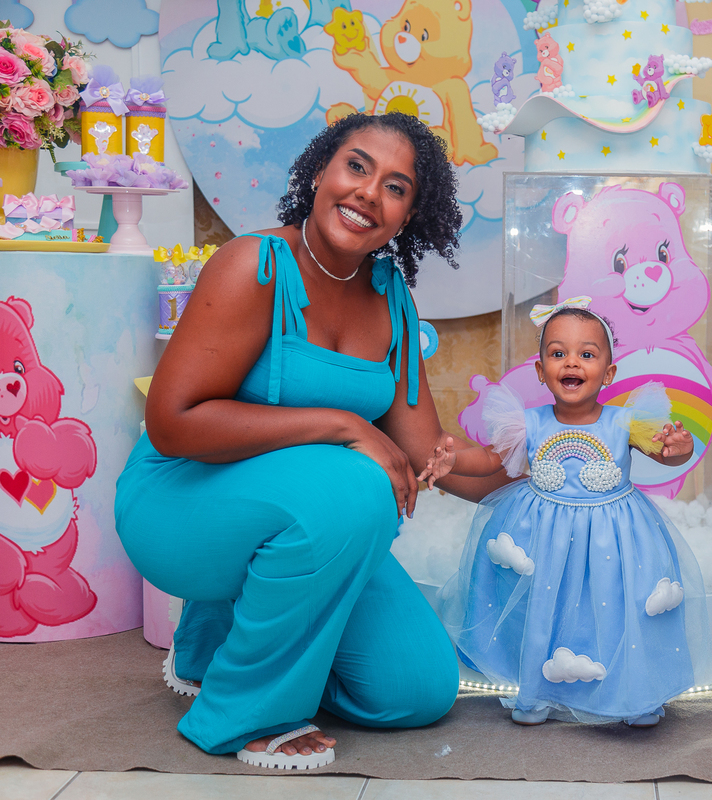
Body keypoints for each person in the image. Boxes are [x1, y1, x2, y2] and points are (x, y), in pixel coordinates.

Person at [114, 112, 509, 769]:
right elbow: (173, 421)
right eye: (356, 167)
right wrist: (346, 425)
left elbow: (425, 454)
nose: (367, 193)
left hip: (311, 523)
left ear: (409, 215)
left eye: (395, 187)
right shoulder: (256, 264)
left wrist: (555, 464)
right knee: (358, 482)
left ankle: (217, 645)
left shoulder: (390, 297)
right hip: (180, 505)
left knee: (417, 690)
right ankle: (247, 710)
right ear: (321, 170)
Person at [422, 300, 712, 726]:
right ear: (541, 371)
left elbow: (664, 454)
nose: (571, 362)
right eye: (558, 353)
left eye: (587, 354)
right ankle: (536, 690)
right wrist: (453, 461)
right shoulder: (529, 423)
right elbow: (489, 459)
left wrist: (679, 449)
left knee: (618, 608)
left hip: (614, 536)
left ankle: (635, 695)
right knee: (544, 608)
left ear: (608, 373)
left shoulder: (625, 423)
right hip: (545, 535)